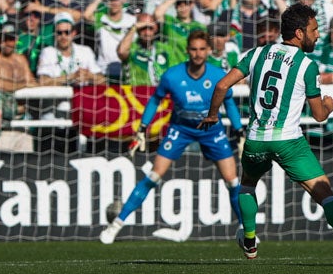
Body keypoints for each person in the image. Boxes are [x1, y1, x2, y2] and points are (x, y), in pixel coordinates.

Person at [206, 3, 333, 265]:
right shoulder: (306, 65)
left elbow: (221, 85)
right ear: (299, 33)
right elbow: (319, 115)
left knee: (247, 186)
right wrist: (330, 105)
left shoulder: (257, 53)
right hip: (288, 141)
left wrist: (212, 115)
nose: (318, 34)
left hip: (255, 139)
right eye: (314, 29)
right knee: (325, 192)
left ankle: (250, 241)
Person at [100, 29, 243, 244]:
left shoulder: (217, 76)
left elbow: (229, 103)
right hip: (180, 129)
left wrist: (239, 130)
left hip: (211, 131)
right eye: (193, 49)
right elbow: (155, 100)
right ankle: (117, 224)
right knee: (154, 176)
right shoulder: (172, 75)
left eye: (202, 49)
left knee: (232, 181)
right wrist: (142, 129)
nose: (197, 54)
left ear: (208, 51)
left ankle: (245, 228)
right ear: (187, 51)